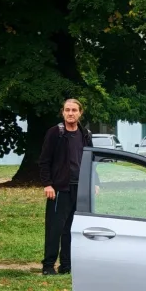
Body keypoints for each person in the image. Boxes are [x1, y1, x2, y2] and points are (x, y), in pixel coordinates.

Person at [38, 99, 93, 275]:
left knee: (71, 229)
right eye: (67, 110)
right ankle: (48, 266)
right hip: (60, 188)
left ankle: (66, 265)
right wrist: (48, 184)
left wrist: (94, 182)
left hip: (80, 187)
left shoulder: (85, 134)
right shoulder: (55, 133)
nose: (71, 113)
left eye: (74, 110)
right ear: (62, 112)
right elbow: (44, 161)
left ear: (80, 113)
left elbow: (90, 160)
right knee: (55, 228)